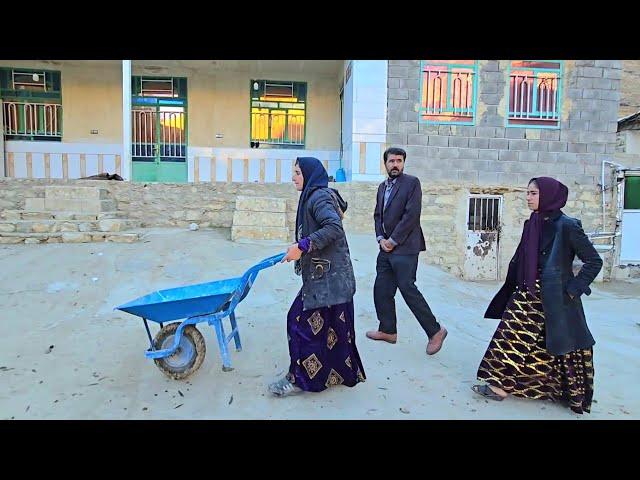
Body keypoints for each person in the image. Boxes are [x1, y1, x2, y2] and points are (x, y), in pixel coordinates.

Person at [473, 177, 603, 414]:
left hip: (554, 296)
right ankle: (500, 387)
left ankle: (562, 393)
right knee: (510, 338)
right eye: (528, 193)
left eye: (533, 193)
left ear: (549, 195)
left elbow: (594, 261)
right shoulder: (532, 223)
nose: (528, 197)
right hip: (527, 293)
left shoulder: (567, 226)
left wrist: (573, 290)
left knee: (555, 345)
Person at [268, 157, 366, 397]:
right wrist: (296, 249)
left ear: (310, 175)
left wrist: (302, 246)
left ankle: (298, 379)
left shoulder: (318, 197)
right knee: (332, 327)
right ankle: (336, 374)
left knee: (299, 323)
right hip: (332, 276)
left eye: (298, 172)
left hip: (326, 280)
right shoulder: (319, 195)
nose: (294, 177)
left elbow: (333, 227)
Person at [366, 147, 448, 355]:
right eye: (391, 161)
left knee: (407, 288)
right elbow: (378, 216)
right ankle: (387, 330)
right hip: (385, 248)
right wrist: (380, 238)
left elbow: (411, 215)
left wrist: (393, 241)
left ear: (403, 163)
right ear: (385, 164)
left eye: (399, 161)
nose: (395, 164)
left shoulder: (412, 183)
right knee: (381, 289)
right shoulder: (382, 187)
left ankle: (435, 331)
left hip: (406, 248)